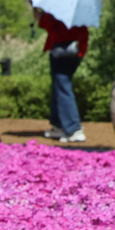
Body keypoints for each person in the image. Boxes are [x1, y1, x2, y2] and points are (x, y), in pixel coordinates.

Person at [36, 8, 89, 143]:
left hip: (62, 50)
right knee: (59, 86)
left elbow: (49, 24)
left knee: (63, 87)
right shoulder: (78, 7)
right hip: (77, 49)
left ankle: (73, 129)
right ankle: (58, 125)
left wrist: (40, 16)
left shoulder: (59, 6)